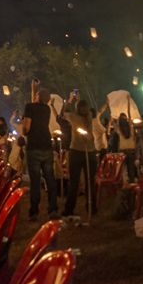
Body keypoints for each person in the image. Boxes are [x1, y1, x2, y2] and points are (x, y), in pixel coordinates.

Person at [22, 81, 58, 221]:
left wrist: (25, 131)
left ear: (37, 96)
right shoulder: (47, 109)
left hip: (34, 147)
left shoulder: (29, 107)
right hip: (46, 146)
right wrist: (33, 89)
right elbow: (35, 107)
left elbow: (27, 126)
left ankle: (34, 212)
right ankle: (53, 209)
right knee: (50, 179)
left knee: (35, 181)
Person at [61, 93, 96, 219]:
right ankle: (92, 207)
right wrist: (79, 99)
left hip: (76, 152)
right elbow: (84, 109)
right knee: (90, 182)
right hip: (90, 152)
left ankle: (69, 209)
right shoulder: (90, 116)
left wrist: (71, 99)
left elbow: (64, 112)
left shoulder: (74, 117)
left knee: (74, 182)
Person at [116, 109, 138, 182]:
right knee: (131, 170)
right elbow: (130, 115)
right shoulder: (131, 127)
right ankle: (132, 186)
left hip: (123, 152)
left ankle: (125, 186)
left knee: (124, 171)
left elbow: (115, 126)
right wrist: (128, 101)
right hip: (131, 151)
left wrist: (118, 119)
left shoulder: (120, 129)